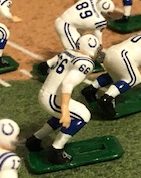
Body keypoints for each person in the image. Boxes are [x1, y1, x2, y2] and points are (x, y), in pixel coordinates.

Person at [26, 35, 101, 164]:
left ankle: (35, 139)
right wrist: (65, 109)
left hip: (46, 93)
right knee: (83, 115)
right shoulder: (85, 63)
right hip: (53, 98)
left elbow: (47, 65)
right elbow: (67, 84)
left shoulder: (68, 52)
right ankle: (56, 150)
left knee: (65, 114)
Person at [82, 23, 141, 118]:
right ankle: (107, 98)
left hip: (111, 51)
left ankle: (91, 89)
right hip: (123, 57)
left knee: (114, 74)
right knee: (134, 79)